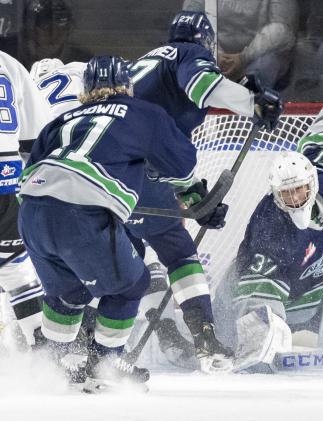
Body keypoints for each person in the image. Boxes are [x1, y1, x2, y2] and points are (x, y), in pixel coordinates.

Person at [17, 55, 203, 392]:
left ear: (85, 89)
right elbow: (182, 164)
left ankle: (48, 366)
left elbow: (33, 161)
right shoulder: (142, 112)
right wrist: (195, 196)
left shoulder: (61, 121)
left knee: (69, 293)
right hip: (80, 212)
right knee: (132, 284)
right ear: (128, 85)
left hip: (31, 213)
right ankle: (104, 364)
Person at [206, 48, 323, 372]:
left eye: (300, 190)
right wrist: (260, 355)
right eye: (286, 195)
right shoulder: (270, 227)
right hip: (244, 299)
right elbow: (259, 307)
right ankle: (187, 334)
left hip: (315, 280)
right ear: (275, 194)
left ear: (313, 183)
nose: (295, 200)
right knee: (229, 343)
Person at [125, 10, 283, 372]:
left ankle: (103, 342)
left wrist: (195, 196)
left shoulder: (147, 62)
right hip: (141, 169)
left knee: (129, 257)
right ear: (208, 45)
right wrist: (252, 103)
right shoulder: (188, 54)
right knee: (178, 253)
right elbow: (201, 86)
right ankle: (206, 340)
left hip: (108, 173)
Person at [0, 50, 52, 351]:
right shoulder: (9, 64)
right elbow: (36, 140)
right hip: (6, 188)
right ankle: (50, 356)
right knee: (15, 269)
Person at [182, 0, 298, 88]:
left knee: (267, 64)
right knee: (188, 60)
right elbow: (189, 22)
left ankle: (257, 111)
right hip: (213, 53)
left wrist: (243, 58)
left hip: (259, 57)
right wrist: (216, 54)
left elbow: (282, 29)